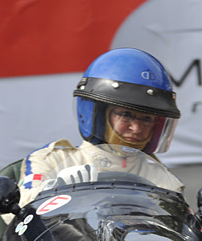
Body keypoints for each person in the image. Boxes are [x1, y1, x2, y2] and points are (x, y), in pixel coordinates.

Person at [15, 47, 185, 208]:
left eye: (147, 119)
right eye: (125, 115)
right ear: (98, 116)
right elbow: (18, 213)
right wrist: (53, 192)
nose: (136, 128)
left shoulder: (162, 181)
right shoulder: (51, 162)